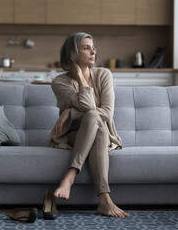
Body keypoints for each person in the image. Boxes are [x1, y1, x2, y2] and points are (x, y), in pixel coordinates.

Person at [49, 32, 129, 218]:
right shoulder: (59, 82)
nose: (93, 51)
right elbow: (89, 105)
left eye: (93, 47)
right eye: (86, 48)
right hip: (72, 134)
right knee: (93, 116)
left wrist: (70, 111)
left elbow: (106, 113)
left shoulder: (103, 74)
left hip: (100, 130)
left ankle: (71, 176)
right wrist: (79, 77)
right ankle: (105, 200)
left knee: (97, 126)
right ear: (72, 53)